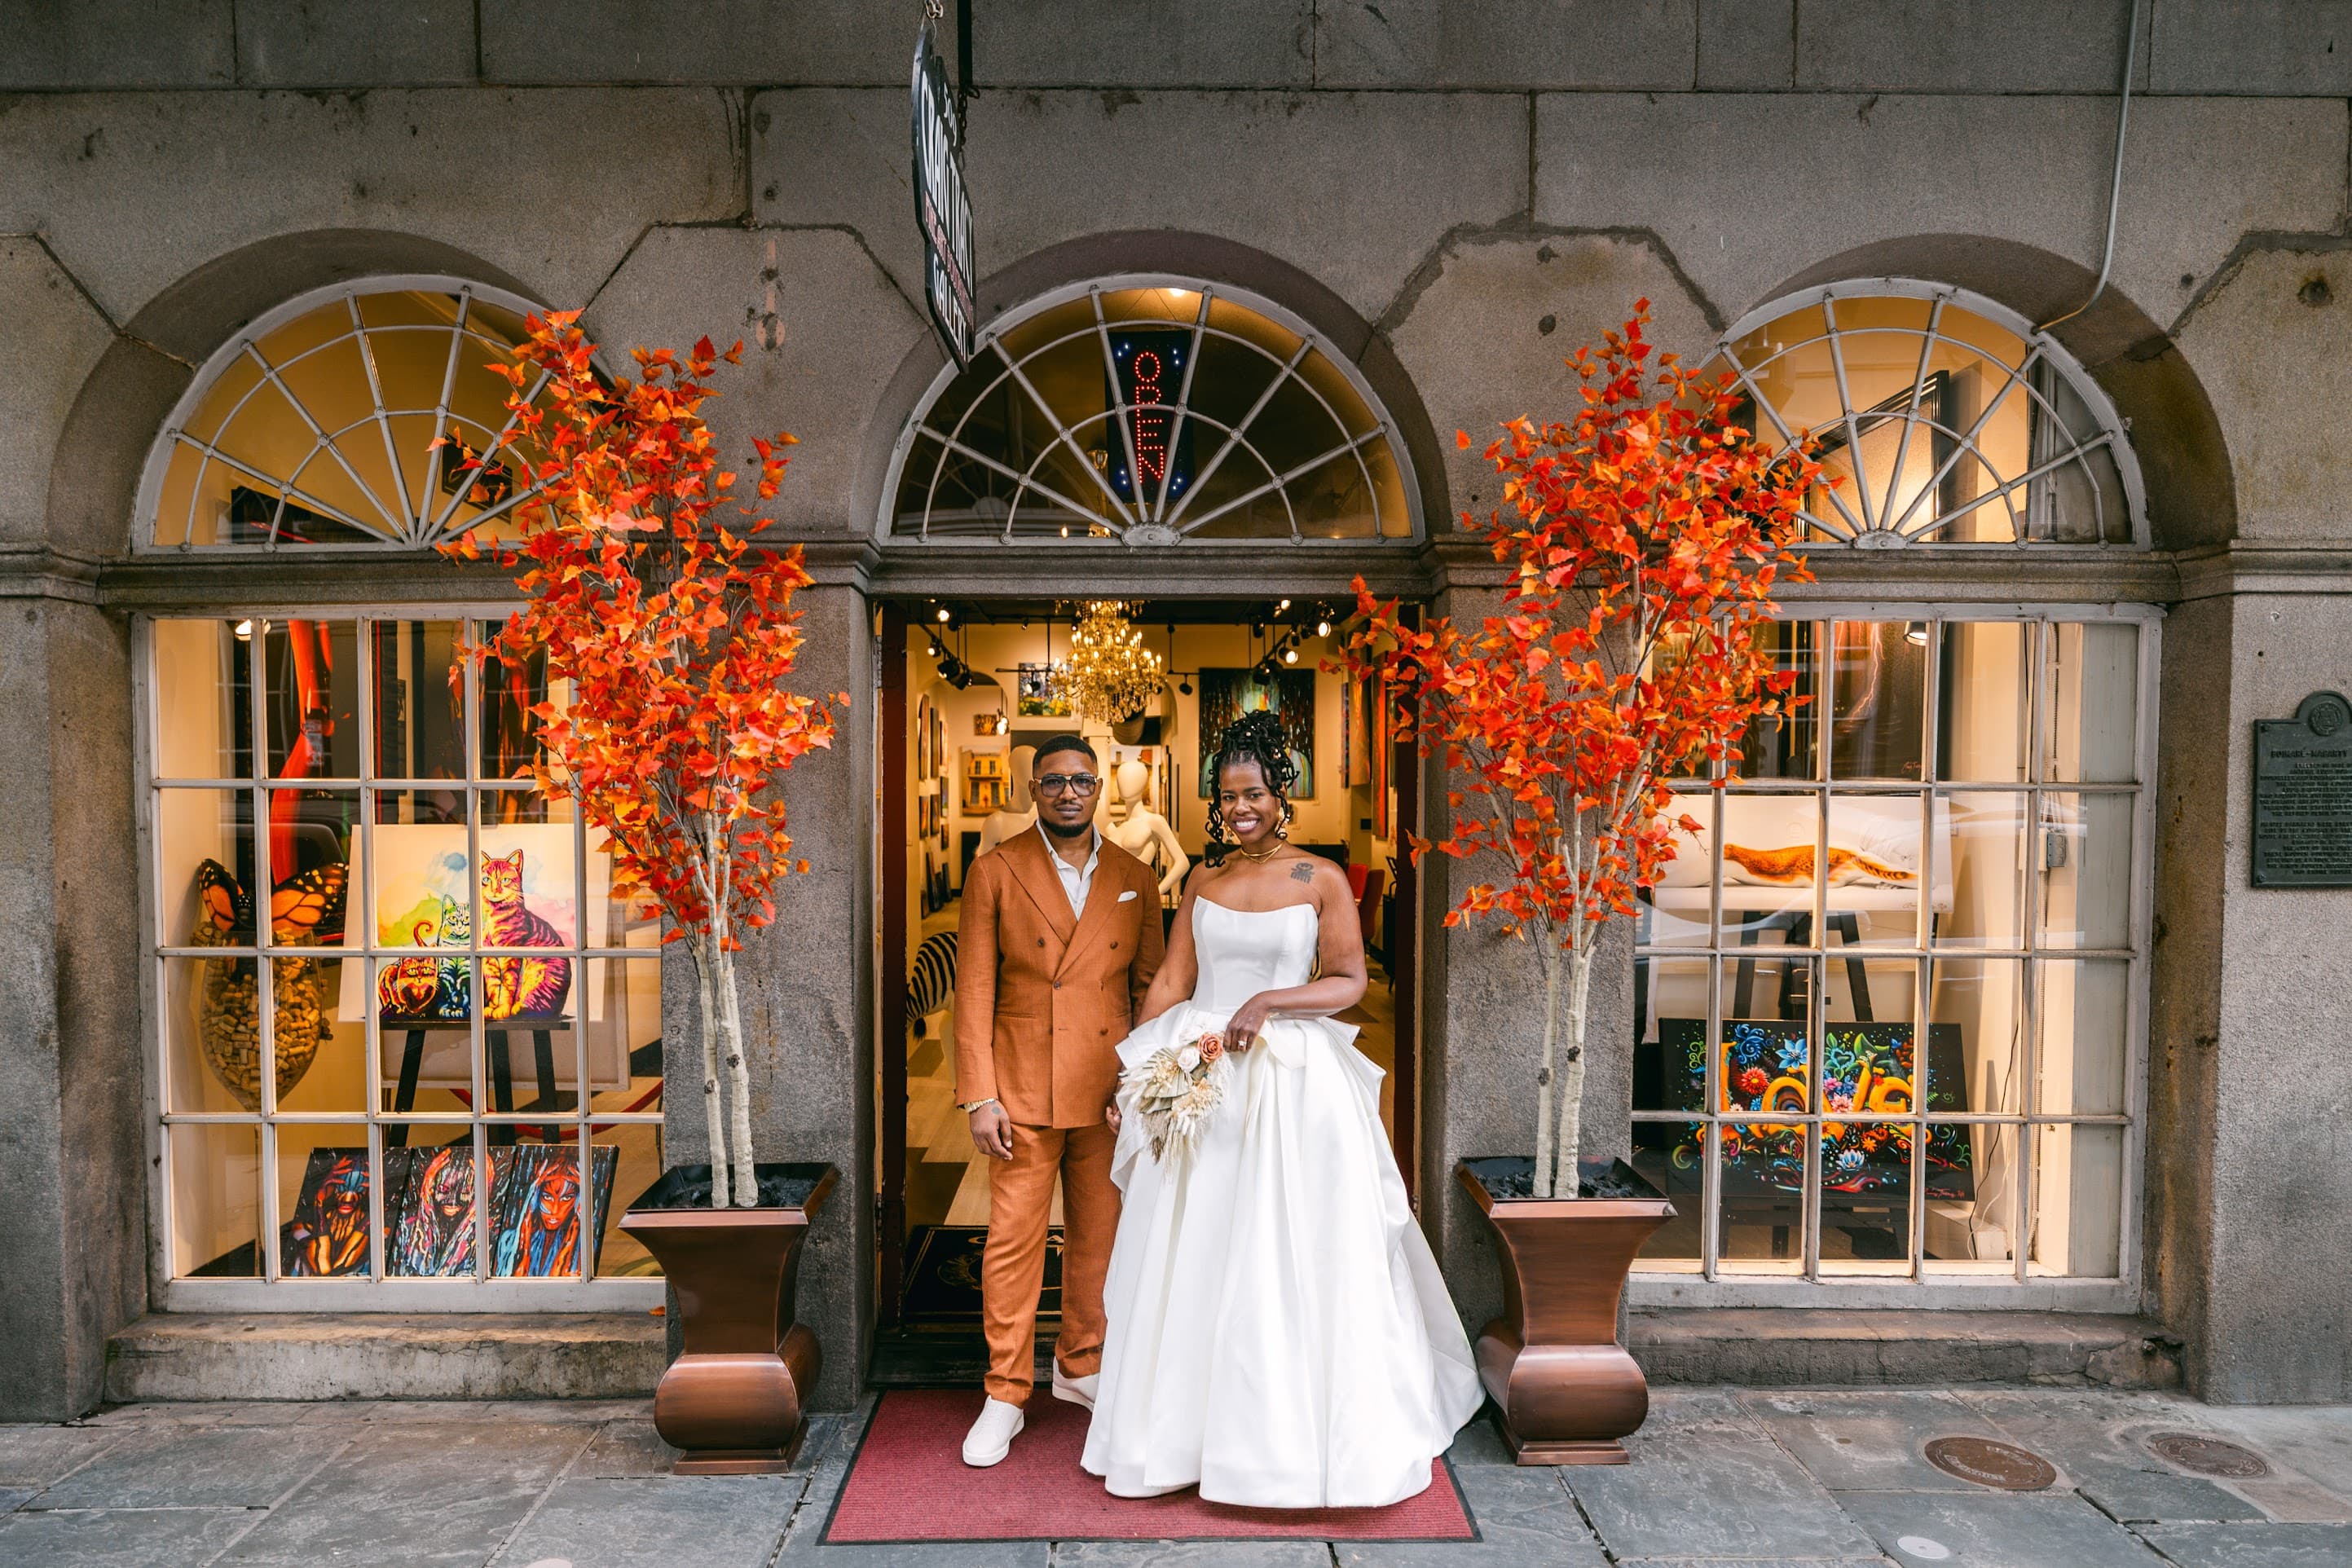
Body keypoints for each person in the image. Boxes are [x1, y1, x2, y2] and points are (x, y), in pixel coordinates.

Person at [1083, 711, 1482, 1508]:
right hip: (1203, 1075)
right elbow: (1171, 985)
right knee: (1194, 1251)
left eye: (1255, 794)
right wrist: (1130, 1076)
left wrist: (1269, 1000)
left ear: (1280, 794)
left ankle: (1284, 1436)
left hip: (1293, 1080)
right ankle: (1184, 1432)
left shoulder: (1319, 879)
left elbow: (1348, 980)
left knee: (1287, 1247)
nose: (1241, 809)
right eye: (1229, 797)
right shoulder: (1203, 879)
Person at [954, 733, 1166, 1468]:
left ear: (1101, 784)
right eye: (1053, 782)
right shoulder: (996, 870)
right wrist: (979, 1093)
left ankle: (1081, 1366)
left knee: (1098, 1240)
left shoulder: (1137, 876)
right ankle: (1005, 1394)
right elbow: (974, 991)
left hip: (1106, 1091)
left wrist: (1141, 1088)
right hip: (1020, 1088)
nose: (1069, 792)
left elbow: (1149, 994)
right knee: (1012, 1244)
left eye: (1081, 780)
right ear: (1033, 789)